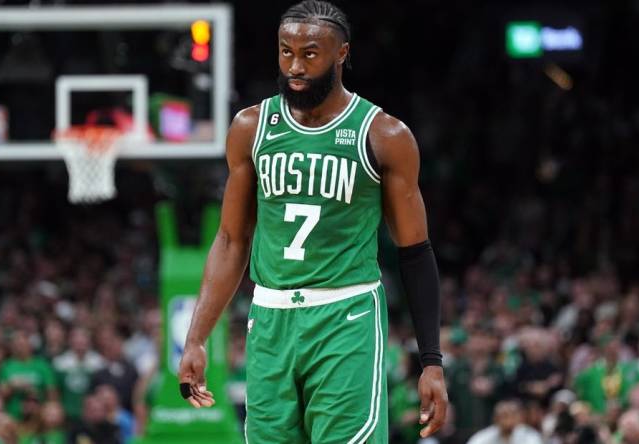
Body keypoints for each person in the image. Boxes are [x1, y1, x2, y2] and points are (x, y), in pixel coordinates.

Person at [178, 1, 447, 442]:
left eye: (309, 53)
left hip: (346, 315)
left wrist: (431, 361)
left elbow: (415, 251)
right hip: (269, 319)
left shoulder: (383, 135)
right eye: (286, 52)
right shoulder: (251, 127)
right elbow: (230, 240)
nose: (294, 67)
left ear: (341, 54)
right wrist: (197, 338)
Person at [466, 400, 543, 444]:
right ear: (495, 418)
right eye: (504, 416)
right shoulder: (484, 436)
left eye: (512, 415)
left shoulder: (529, 435)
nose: (508, 420)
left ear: (519, 418)